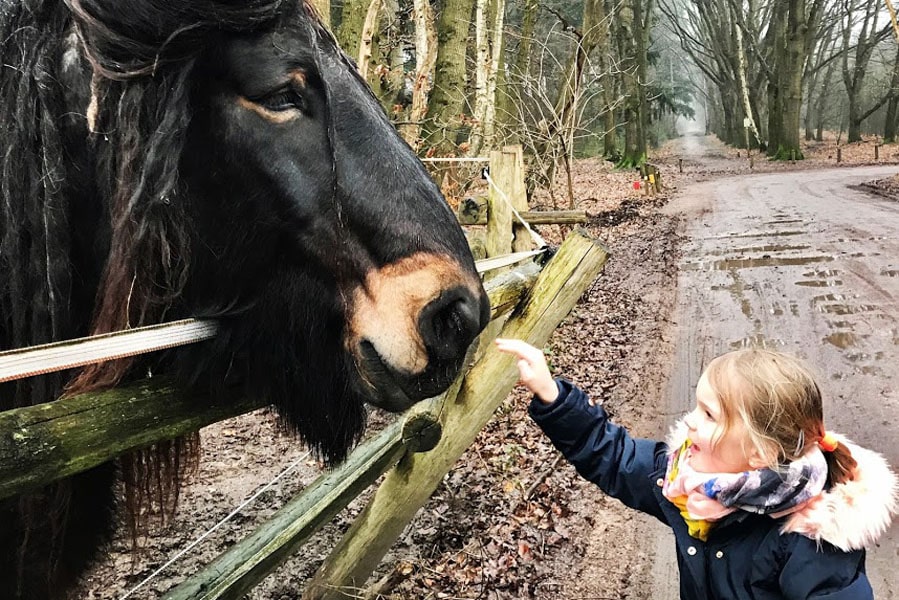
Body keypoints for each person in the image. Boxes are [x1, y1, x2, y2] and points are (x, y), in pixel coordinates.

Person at [495, 338, 898, 600]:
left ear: (758, 453)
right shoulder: (687, 483)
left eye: (708, 414)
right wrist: (551, 395)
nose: (689, 421)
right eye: (697, 406)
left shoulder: (811, 541)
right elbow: (614, 457)